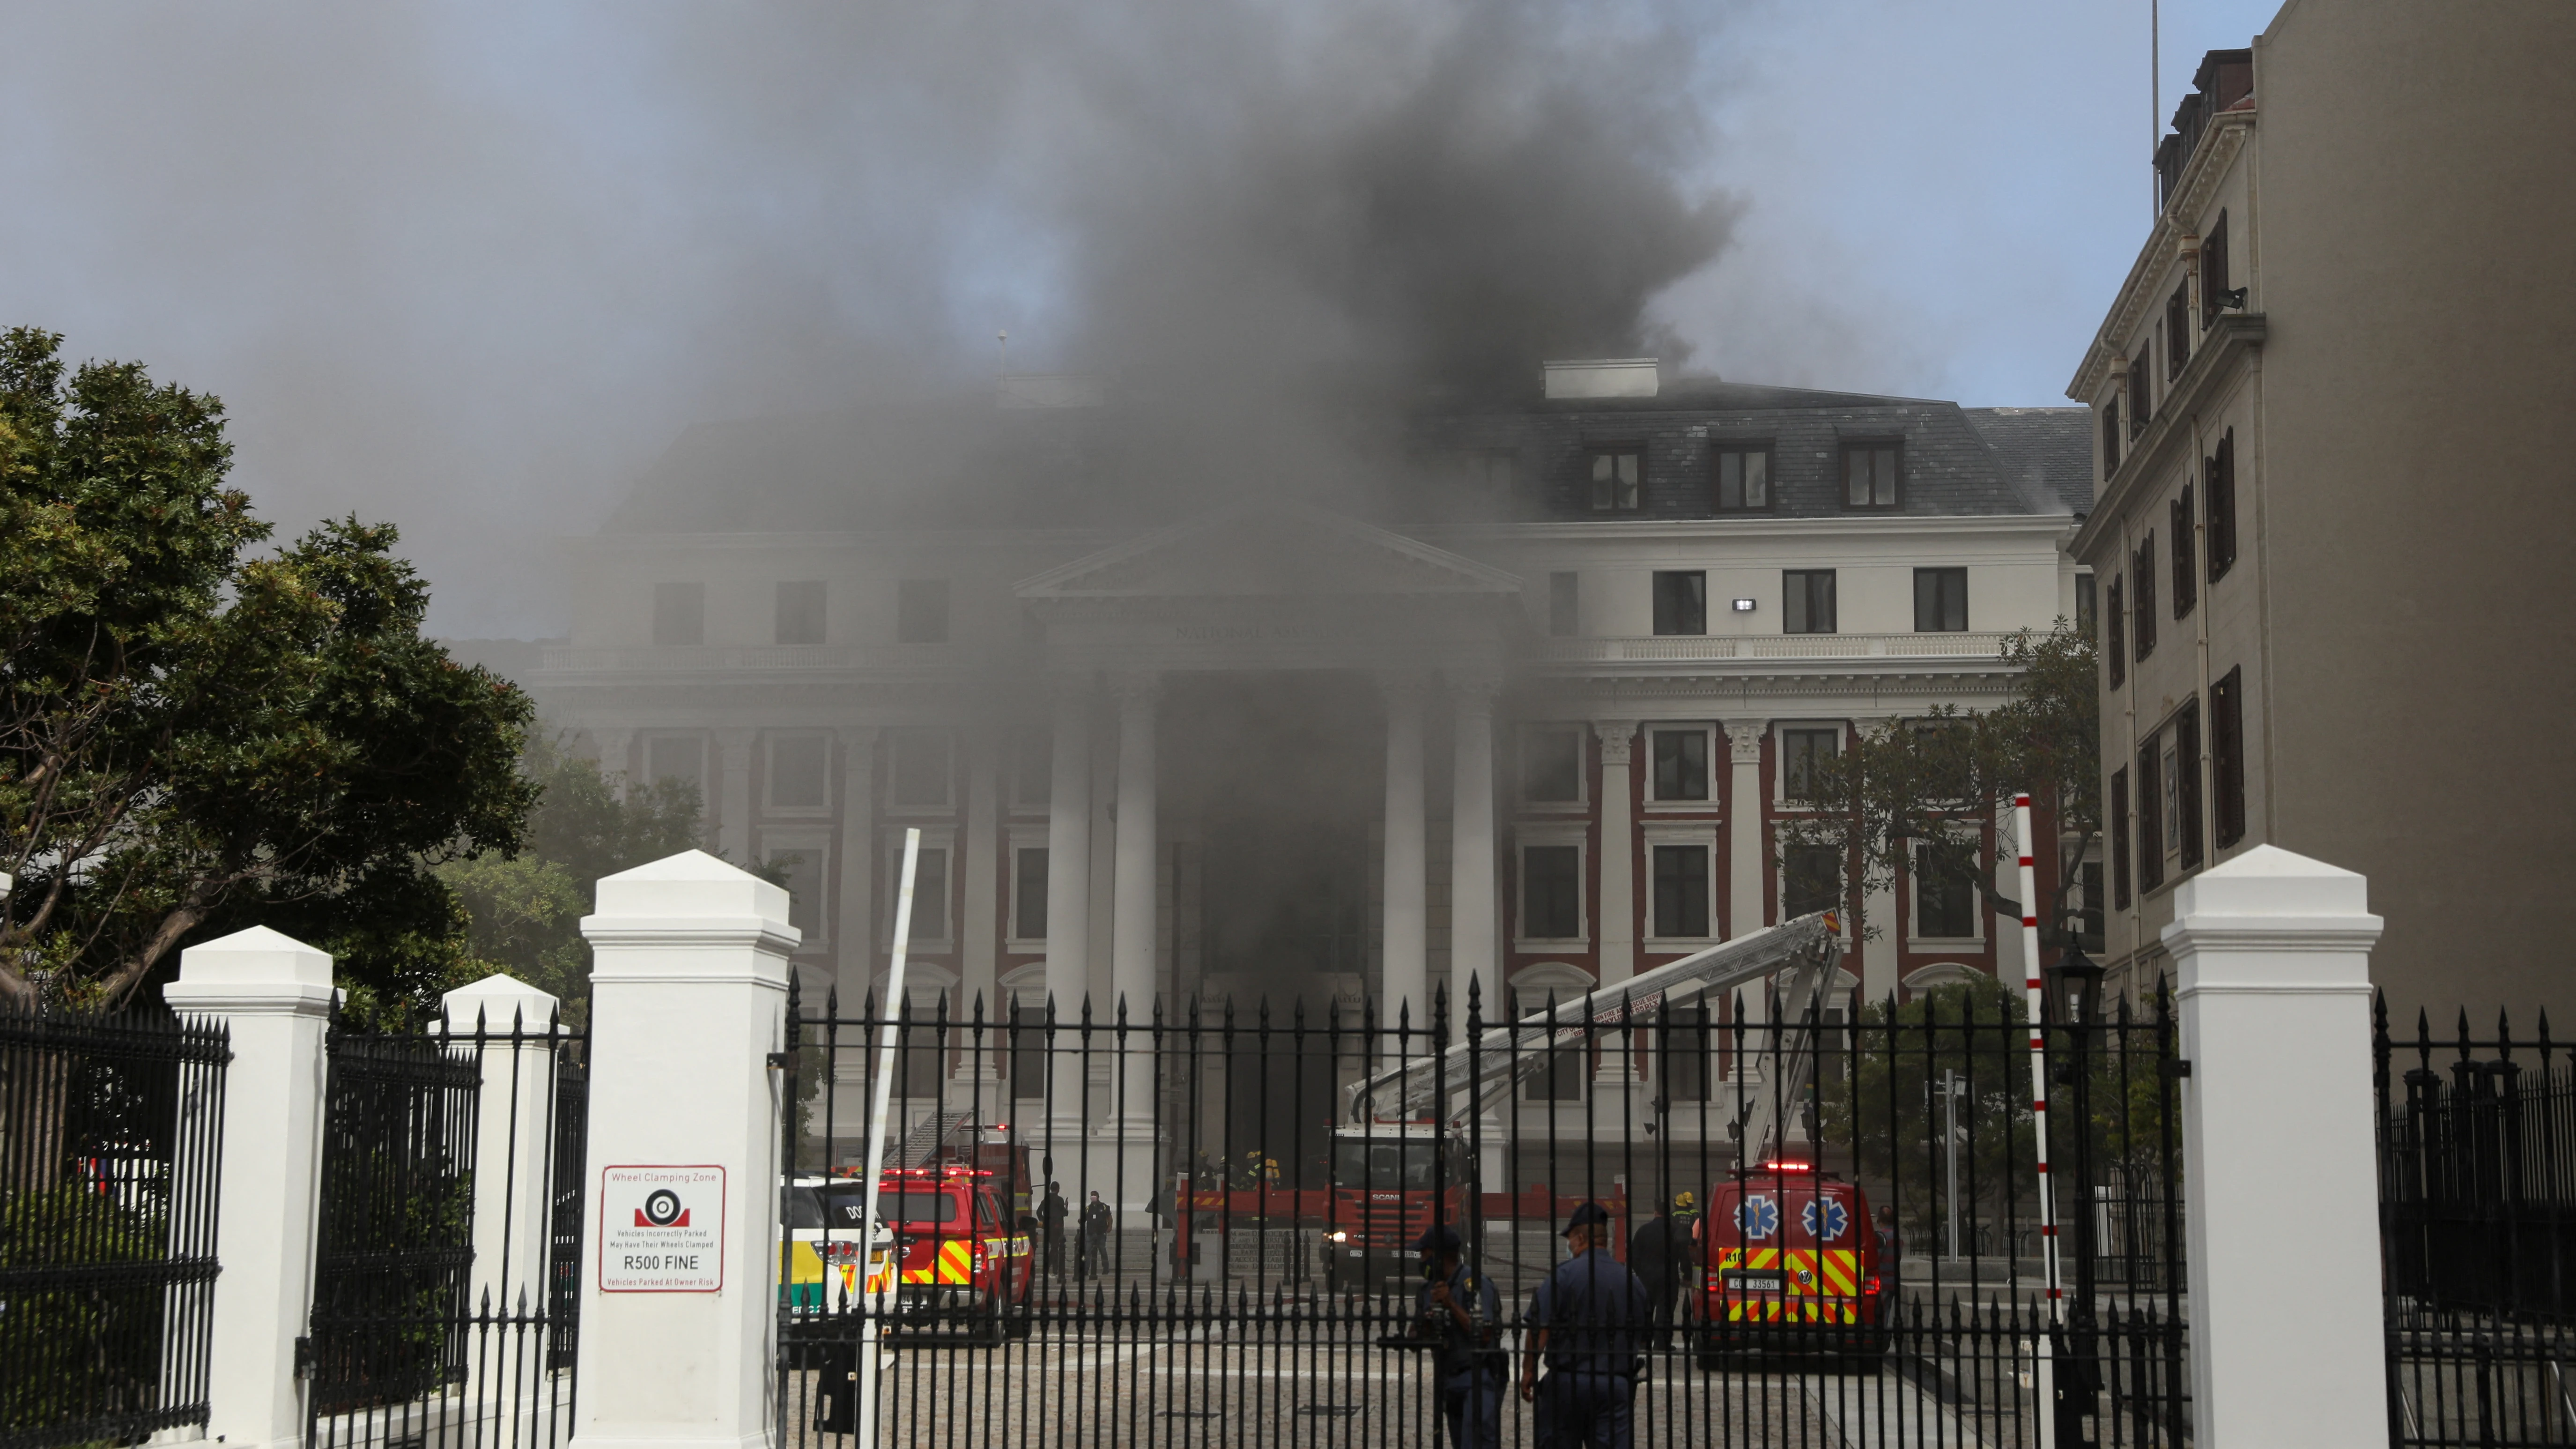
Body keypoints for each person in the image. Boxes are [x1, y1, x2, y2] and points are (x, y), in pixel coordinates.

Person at [1521, 1202, 1650, 1449]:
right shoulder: (1631, 1282)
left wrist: (1528, 1369)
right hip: (1615, 1382)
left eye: (1570, 1239)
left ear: (1580, 1238)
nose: (1569, 1245)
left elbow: (1540, 1327)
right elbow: (1642, 1333)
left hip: (1567, 1383)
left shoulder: (1564, 1276)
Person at [1413, 1226, 1504, 1449]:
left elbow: (1483, 1334)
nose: (1420, 1259)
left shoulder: (1474, 1284)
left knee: (1477, 1442)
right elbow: (1414, 1338)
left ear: (1438, 1256)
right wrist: (1426, 1323)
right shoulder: (1428, 1289)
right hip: (1448, 1379)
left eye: (1424, 1254)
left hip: (1477, 1376)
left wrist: (1451, 1305)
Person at [1626, 1192, 1700, 1351]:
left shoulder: (1643, 1230)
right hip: (1668, 1276)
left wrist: (1639, 1271)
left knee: (1646, 1308)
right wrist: (1687, 1274)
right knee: (1665, 1311)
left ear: (1655, 1213)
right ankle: (1661, 1343)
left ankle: (1643, 1342)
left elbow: (1633, 1254)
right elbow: (1684, 1255)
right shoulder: (1675, 1231)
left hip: (1646, 1276)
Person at [1036, 1181, 1069, 1279]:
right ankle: (1048, 1269)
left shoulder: (1046, 1199)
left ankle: (1056, 1270)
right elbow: (1065, 1214)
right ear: (1058, 1189)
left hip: (1048, 1227)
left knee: (1055, 1249)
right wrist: (1066, 1206)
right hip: (1057, 1227)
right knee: (1055, 1249)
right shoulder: (1059, 1200)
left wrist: (1044, 1221)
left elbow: (1039, 1212)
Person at [1079, 1190, 1114, 1280]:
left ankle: (1106, 1268)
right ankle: (1086, 1269)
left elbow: (1109, 1217)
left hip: (1101, 1233)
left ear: (1098, 1196)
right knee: (1087, 1251)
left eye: (1095, 1195)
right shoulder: (1088, 1208)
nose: (1093, 1197)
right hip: (1090, 1233)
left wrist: (1110, 1227)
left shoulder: (1104, 1207)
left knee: (1103, 1250)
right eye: (1092, 1195)